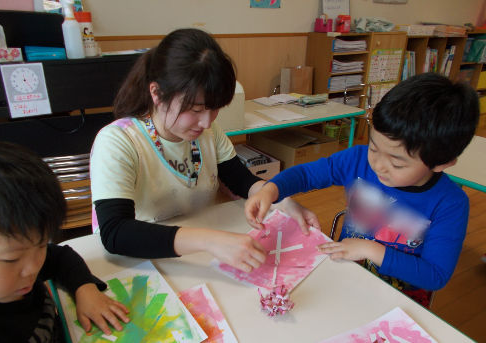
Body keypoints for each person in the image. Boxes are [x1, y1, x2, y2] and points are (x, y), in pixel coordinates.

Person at [90, 28, 317, 273]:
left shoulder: (208, 133)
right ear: (156, 93)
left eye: (215, 108)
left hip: (199, 257)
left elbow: (242, 181)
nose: (207, 123)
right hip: (143, 262)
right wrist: (210, 240)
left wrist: (280, 199)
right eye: (196, 110)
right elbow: (116, 232)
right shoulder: (118, 142)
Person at [245, 73, 480, 307]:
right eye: (374, 147)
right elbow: (307, 174)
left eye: (397, 163)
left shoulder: (450, 203)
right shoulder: (358, 160)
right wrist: (272, 189)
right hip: (346, 275)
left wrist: (369, 249)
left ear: (441, 163)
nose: (377, 164)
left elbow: (435, 275)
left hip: (399, 300)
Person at [0, 138, 130, 343]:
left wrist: (85, 289)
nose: (33, 268)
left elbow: (60, 257)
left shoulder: (22, 264)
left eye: (41, 245)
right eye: (10, 260)